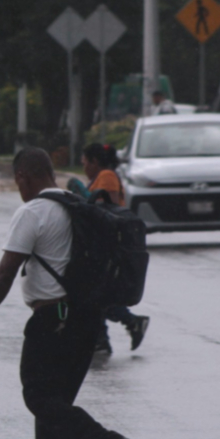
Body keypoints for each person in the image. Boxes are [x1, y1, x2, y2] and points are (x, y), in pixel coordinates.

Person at [0, 147, 133, 439]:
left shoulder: (34, 212)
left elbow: (5, 272)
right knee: (54, 403)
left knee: (39, 396)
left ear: (22, 178)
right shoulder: (78, 208)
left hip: (53, 319)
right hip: (88, 319)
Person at [79, 143, 149, 354]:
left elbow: (108, 209)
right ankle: (107, 336)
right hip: (99, 244)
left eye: (85, 163)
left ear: (95, 162)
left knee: (95, 293)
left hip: (108, 246)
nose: (84, 167)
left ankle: (110, 335)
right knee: (96, 293)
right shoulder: (100, 176)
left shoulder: (107, 176)